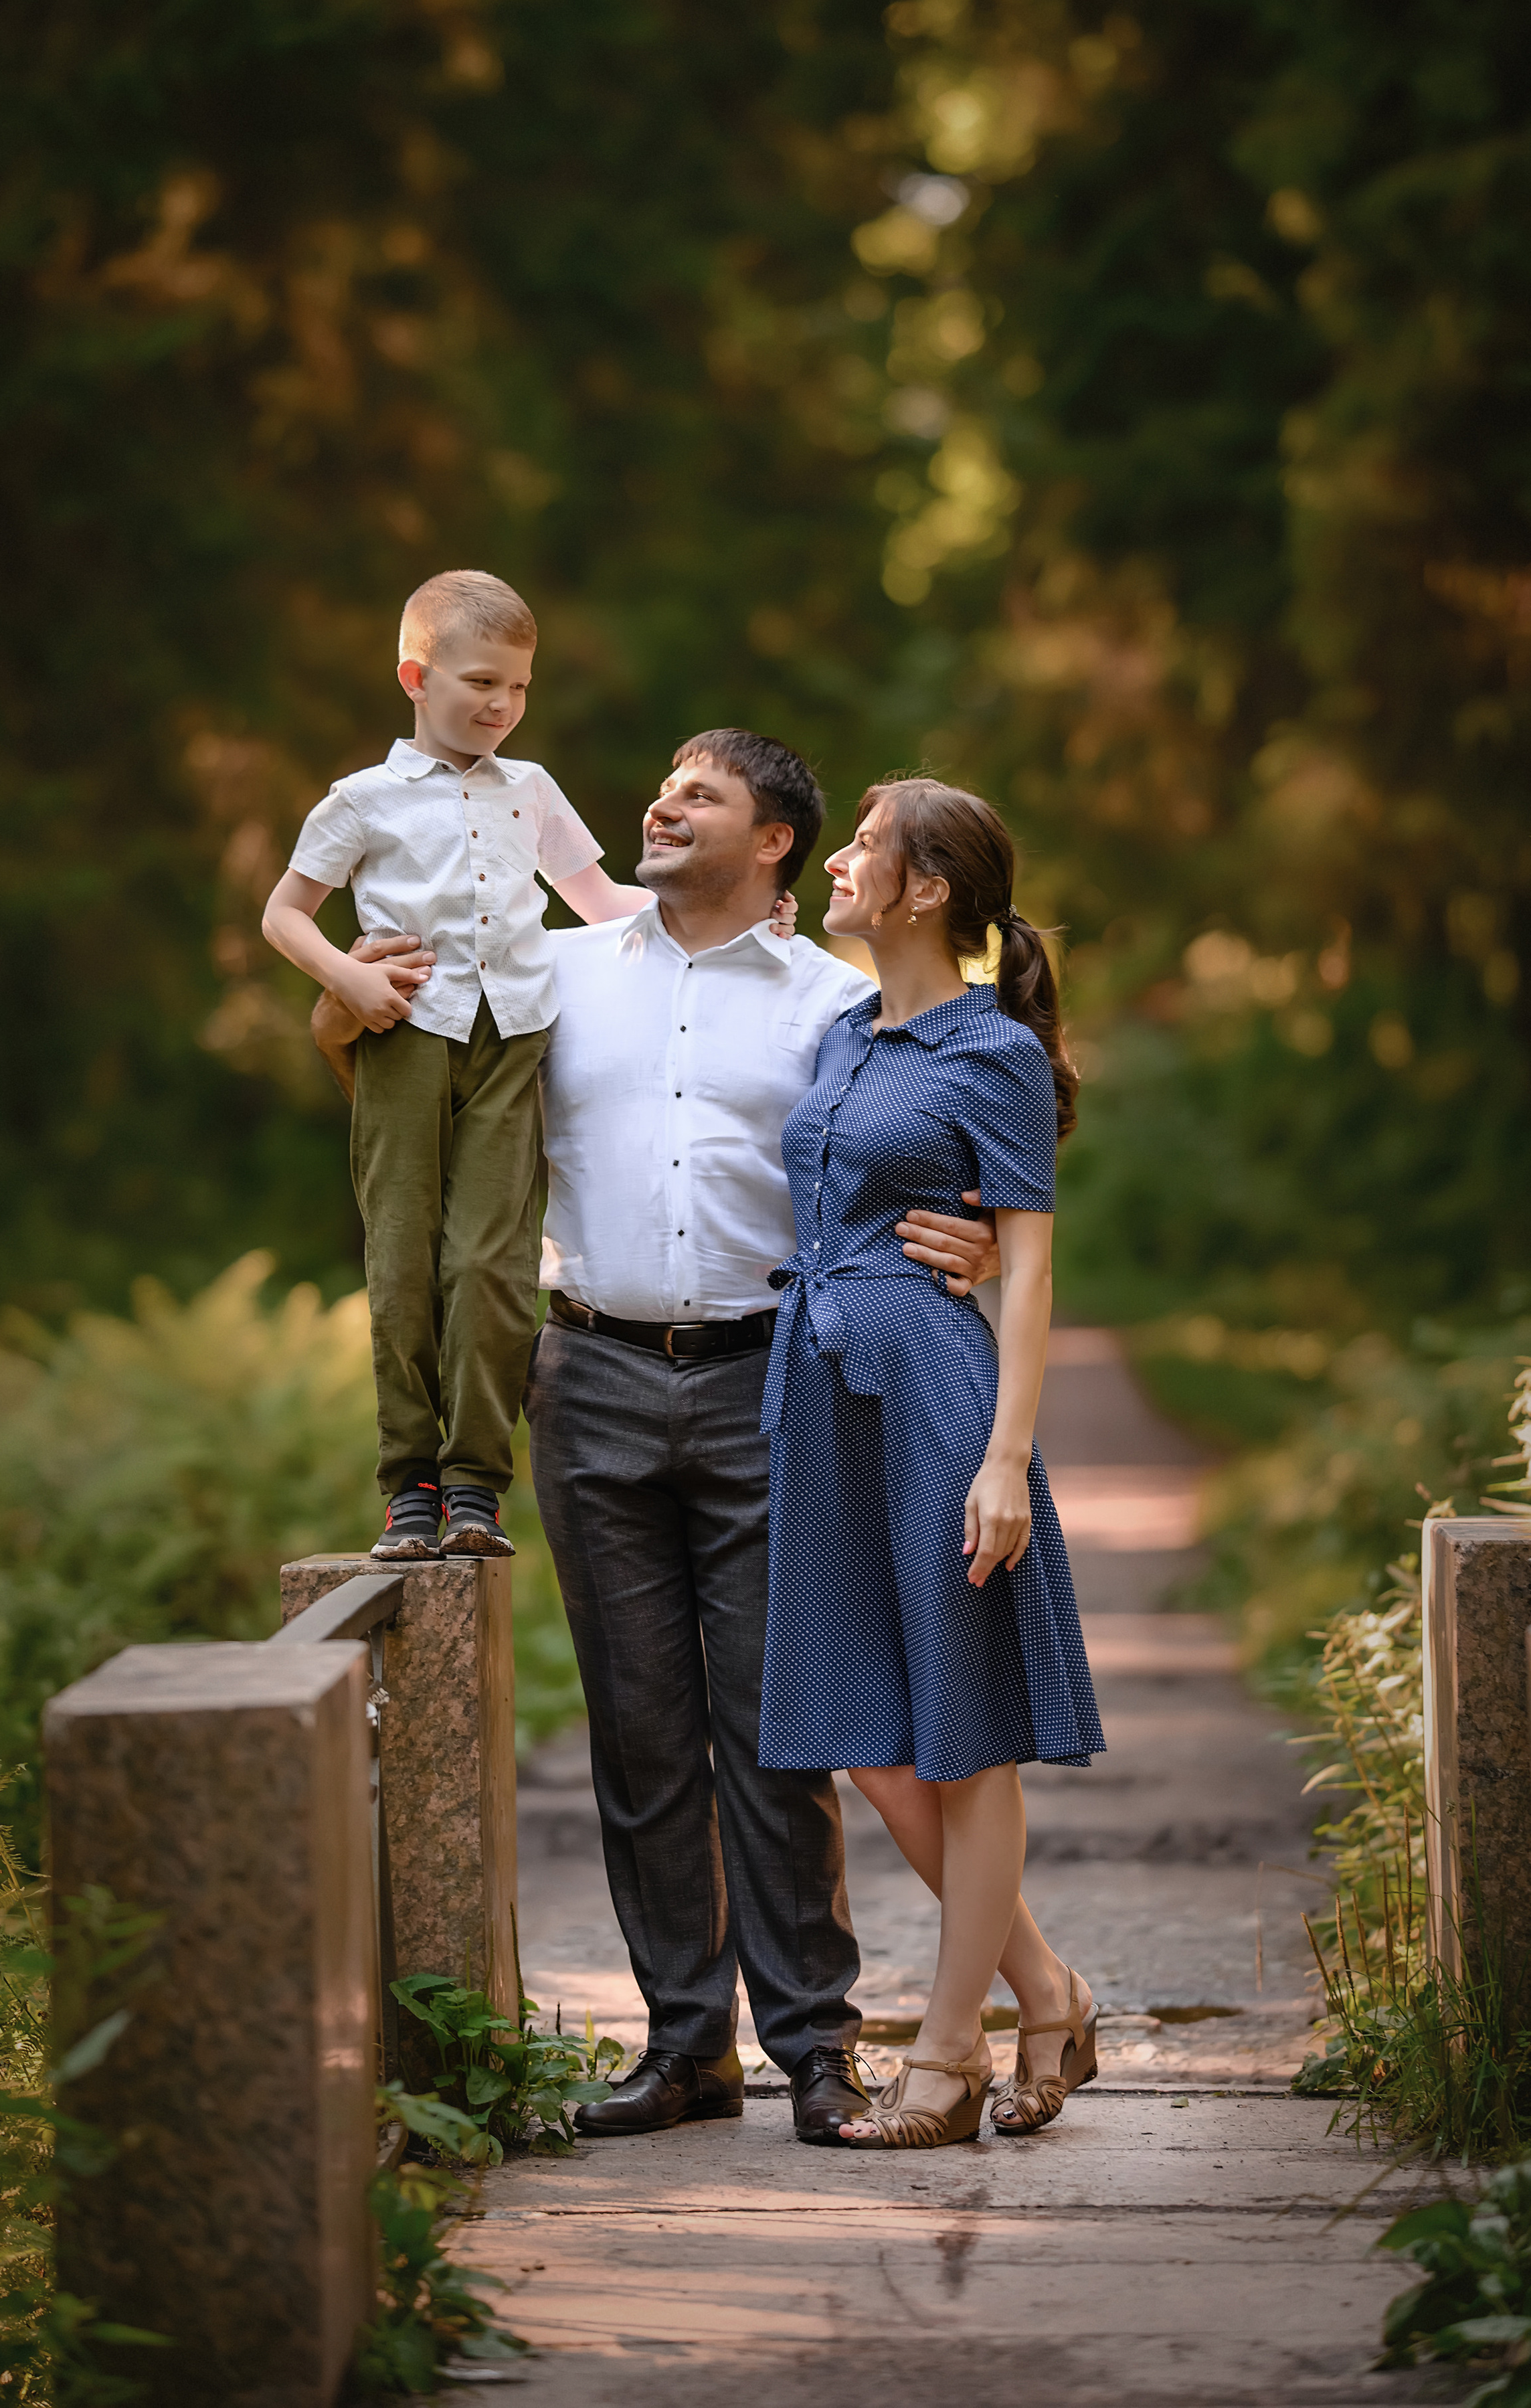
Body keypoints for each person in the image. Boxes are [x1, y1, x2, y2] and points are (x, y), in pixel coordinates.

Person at [310, 731, 996, 2148]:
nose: (662, 806)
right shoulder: (545, 970)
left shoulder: (832, 1003)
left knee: (771, 1730)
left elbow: (928, 1149)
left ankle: (815, 2045)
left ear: (775, 846)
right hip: (591, 1375)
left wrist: (973, 1232)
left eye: (703, 797)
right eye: (664, 788)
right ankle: (685, 2050)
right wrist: (344, 998)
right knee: (638, 1731)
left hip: (772, 1380)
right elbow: (375, 1054)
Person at [759, 776, 1104, 2151]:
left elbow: (1022, 1273)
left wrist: (1006, 1458)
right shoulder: (842, 1033)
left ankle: (949, 2055)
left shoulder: (995, 1053)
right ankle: (1048, 1987)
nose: (836, 861)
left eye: (861, 847)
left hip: (939, 1400)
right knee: (866, 1742)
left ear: (922, 890)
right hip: (825, 1397)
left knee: (959, 1738)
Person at [262, 569, 654, 1560]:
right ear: (415, 676)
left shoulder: (533, 792)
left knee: (491, 1261)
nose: (501, 706)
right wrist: (345, 982)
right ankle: (411, 1485)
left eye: (519, 689)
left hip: (515, 1037)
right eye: (481, 682)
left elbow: (601, 902)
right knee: (404, 1257)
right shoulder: (361, 801)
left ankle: (476, 1481)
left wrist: (734, 916)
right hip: (404, 1034)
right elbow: (285, 915)